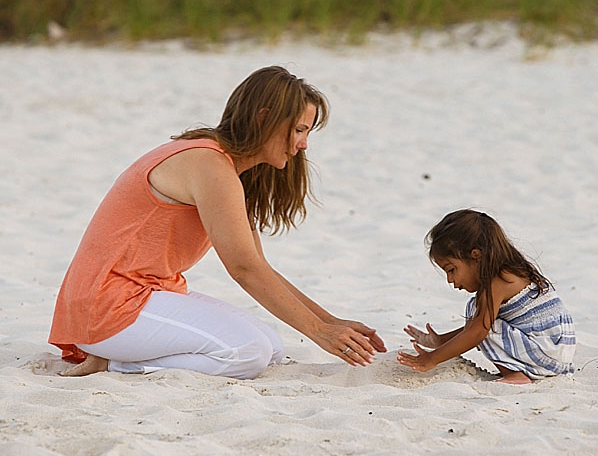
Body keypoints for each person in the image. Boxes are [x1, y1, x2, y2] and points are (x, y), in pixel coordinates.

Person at [50, 66, 386, 379]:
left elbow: (258, 265)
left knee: (271, 346)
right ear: (264, 118)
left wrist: (329, 322)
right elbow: (243, 269)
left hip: (146, 294)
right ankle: (114, 362)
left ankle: (117, 355)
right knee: (249, 353)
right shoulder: (209, 164)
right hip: (106, 305)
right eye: (299, 130)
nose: (303, 144)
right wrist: (318, 332)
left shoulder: (229, 169)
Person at [398, 209, 575, 384]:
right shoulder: (512, 270)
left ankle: (515, 374)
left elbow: (477, 332)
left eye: (451, 270)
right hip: (554, 351)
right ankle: (518, 370)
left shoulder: (497, 282)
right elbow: (477, 327)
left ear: (476, 256)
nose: (450, 280)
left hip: (546, 352)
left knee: (479, 316)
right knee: (482, 317)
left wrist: (431, 359)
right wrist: (441, 341)